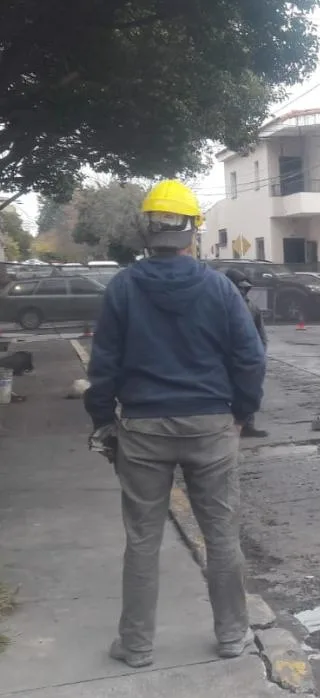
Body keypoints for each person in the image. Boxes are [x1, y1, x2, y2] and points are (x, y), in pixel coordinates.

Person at [83, 179, 266, 669]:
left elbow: (104, 365)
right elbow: (249, 358)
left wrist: (103, 421)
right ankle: (232, 635)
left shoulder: (123, 287)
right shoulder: (219, 288)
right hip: (210, 427)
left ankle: (137, 645)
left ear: (147, 229)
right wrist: (242, 414)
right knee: (221, 535)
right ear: (193, 230)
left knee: (142, 539)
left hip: (143, 429)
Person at [224, 269, 269, 437]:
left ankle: (248, 425)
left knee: (250, 389)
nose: (243, 291)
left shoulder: (252, 306)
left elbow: (261, 331)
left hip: (248, 356)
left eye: (245, 288)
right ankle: (228, 426)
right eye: (239, 287)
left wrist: (261, 352)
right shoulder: (223, 304)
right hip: (229, 356)